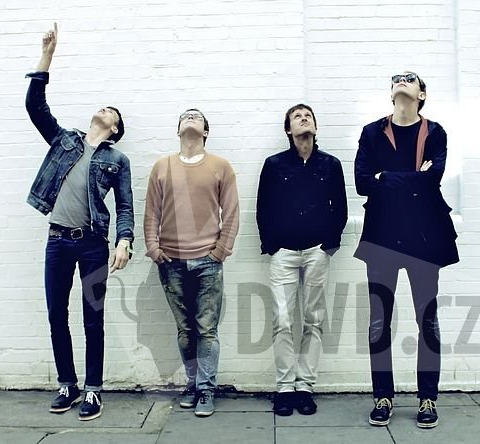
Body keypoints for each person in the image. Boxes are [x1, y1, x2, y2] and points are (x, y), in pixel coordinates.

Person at [25, 23, 134, 421]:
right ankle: (67, 385)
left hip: (92, 245)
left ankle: (93, 390)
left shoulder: (117, 160)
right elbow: (35, 107)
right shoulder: (65, 140)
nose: (104, 110)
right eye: (102, 108)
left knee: (93, 317)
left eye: (111, 112)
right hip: (57, 241)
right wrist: (47, 56)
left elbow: (125, 206)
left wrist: (124, 241)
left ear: (115, 129)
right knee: (57, 313)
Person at [354, 71, 459, 428]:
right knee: (379, 321)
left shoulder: (435, 132)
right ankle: (382, 397)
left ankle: (428, 398)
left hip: (423, 237)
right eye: (396, 79)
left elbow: (433, 179)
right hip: (382, 235)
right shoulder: (372, 132)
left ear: (422, 94)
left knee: (427, 319)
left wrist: (385, 177)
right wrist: (410, 178)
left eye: (409, 78)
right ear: (391, 94)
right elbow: (362, 182)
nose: (401, 81)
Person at [143, 108, 240, 417]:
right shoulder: (162, 167)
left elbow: (231, 212)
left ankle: (206, 389)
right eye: (185, 116)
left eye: (197, 116)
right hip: (170, 261)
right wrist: (153, 248)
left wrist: (220, 251)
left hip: (208, 262)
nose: (190, 117)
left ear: (206, 132)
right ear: (178, 130)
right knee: (185, 330)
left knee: (207, 330)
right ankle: (193, 383)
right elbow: (151, 211)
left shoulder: (220, 166)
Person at [256, 104, 348, 416]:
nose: (304, 118)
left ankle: (305, 386)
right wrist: (272, 245)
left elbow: (340, 208)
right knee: (282, 320)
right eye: (297, 116)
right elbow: (263, 208)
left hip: (317, 252)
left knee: (314, 319)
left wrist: (329, 244)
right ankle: (284, 387)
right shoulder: (274, 164)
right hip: (283, 253)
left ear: (315, 127)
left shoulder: (330, 164)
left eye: (308, 115)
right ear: (288, 130)